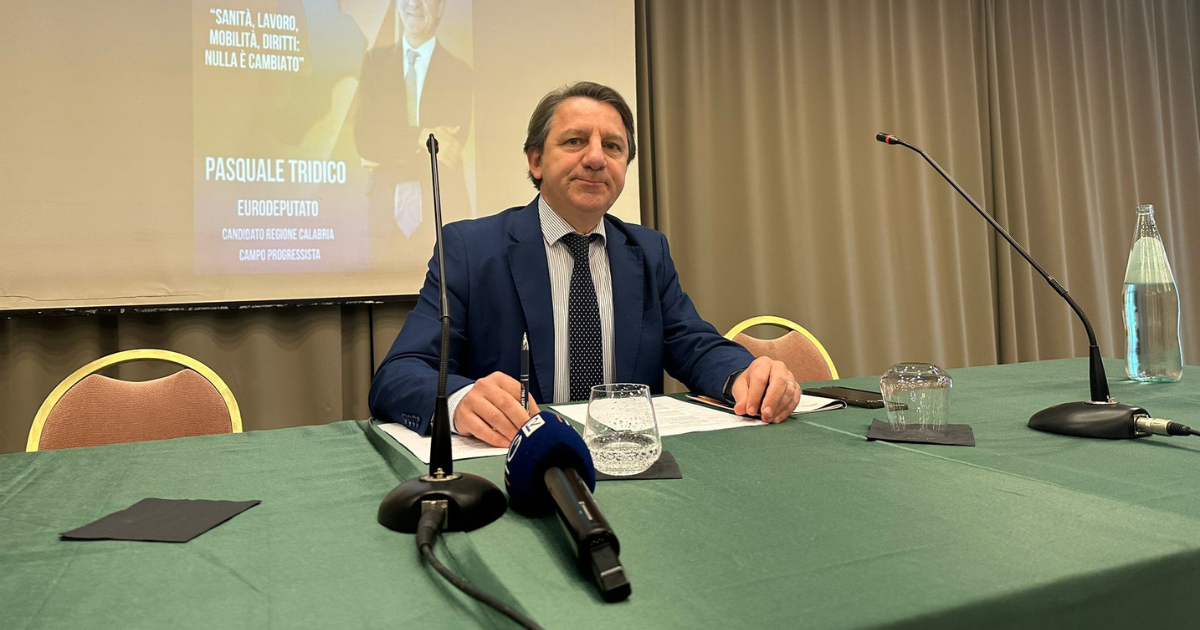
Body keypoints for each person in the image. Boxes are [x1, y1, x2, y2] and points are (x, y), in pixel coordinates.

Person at [369, 81, 800, 447]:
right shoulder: (470, 249)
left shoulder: (648, 250)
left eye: (612, 147)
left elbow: (693, 344)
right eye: (575, 141)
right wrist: (460, 401)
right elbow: (399, 373)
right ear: (536, 161)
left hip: (628, 462)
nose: (596, 159)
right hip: (516, 467)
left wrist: (744, 374)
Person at [354, 0, 472, 258]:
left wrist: (386, 149)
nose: (414, 4)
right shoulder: (374, 62)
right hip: (384, 212)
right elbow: (365, 138)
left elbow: (448, 147)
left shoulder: (459, 72)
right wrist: (420, 138)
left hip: (442, 211)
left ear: (440, 7)